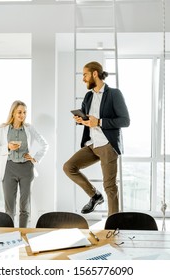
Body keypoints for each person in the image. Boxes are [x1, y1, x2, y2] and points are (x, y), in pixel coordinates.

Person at [63, 61, 130, 216]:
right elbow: (89, 119)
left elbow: (125, 121)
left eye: (85, 75)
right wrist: (82, 120)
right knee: (69, 167)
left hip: (107, 145)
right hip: (92, 144)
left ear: (94, 74)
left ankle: (112, 226)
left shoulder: (114, 94)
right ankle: (95, 196)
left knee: (110, 186)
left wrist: (99, 122)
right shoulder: (88, 96)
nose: (83, 79)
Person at [0, 100, 48, 228]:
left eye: (24, 112)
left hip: (26, 169)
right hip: (9, 168)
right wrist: (7, 146)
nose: (22, 115)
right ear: (13, 112)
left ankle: (23, 233)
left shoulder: (29, 128)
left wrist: (35, 158)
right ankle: (9, 234)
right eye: (19, 112)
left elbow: (45, 144)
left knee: (25, 206)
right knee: (9, 207)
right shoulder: (2, 129)